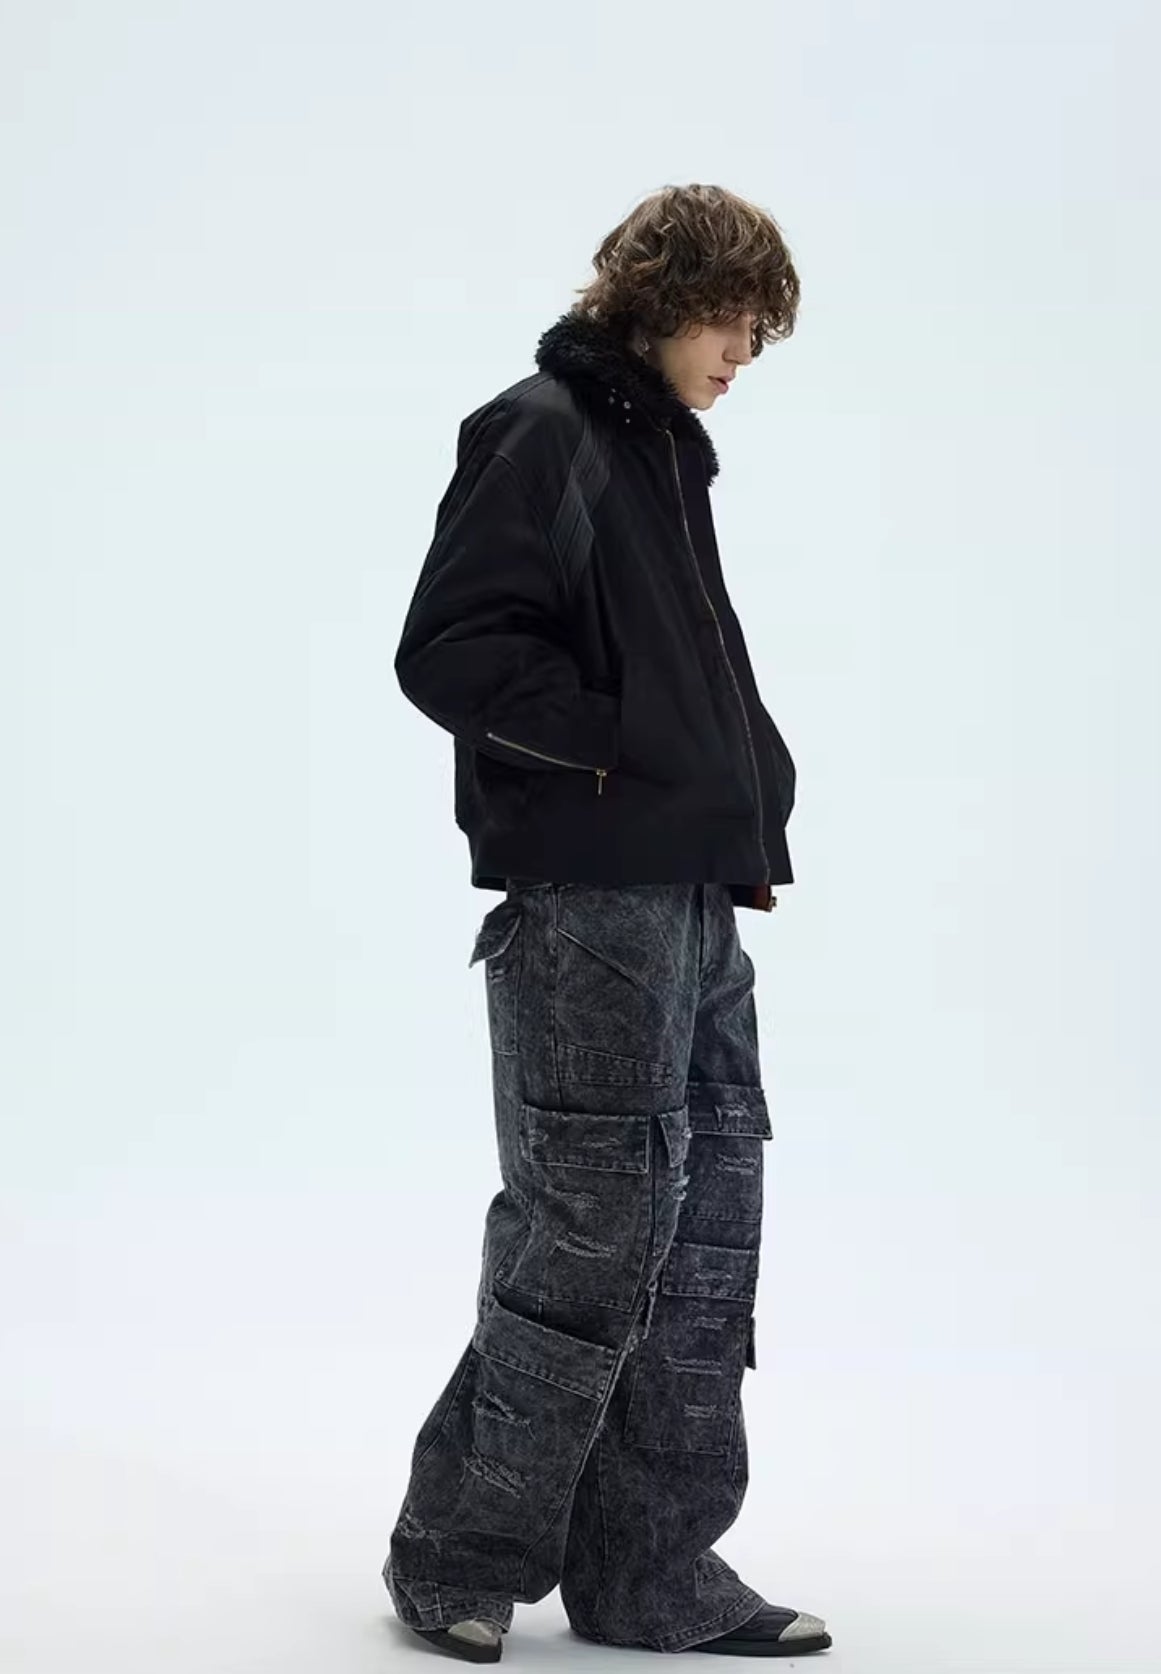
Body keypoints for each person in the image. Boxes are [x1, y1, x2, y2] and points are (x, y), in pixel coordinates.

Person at [381, 183, 827, 1663]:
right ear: (668, 296)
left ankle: (649, 1568)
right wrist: (626, 759)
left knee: (705, 1235)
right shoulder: (544, 432)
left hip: (691, 902)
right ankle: (457, 1551)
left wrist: (737, 798)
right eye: (736, 320)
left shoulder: (659, 453)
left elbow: (682, 668)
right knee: (591, 1233)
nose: (746, 353)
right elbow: (454, 649)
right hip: (589, 910)